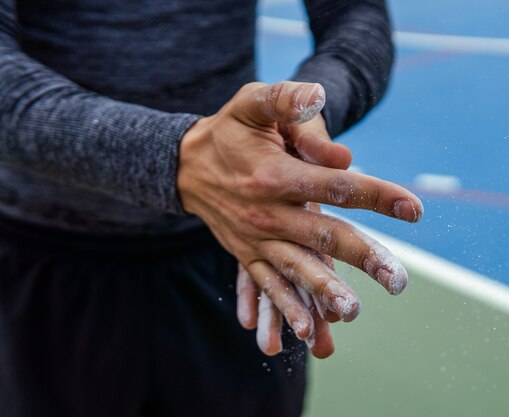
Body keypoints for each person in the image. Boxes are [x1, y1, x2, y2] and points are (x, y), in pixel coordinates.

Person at [0, 0, 423, 416]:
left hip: (241, 241)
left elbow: (355, 14)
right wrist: (181, 160)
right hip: (42, 271)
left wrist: (305, 114)